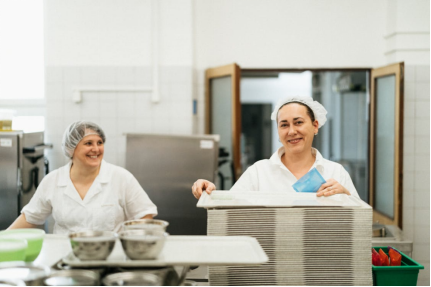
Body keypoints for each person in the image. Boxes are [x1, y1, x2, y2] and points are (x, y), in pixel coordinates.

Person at [192, 96, 360, 200]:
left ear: (315, 126)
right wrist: (209, 190)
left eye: (299, 122)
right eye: (284, 125)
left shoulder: (335, 172)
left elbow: (361, 220)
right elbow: (229, 206)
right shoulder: (259, 172)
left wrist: (346, 196)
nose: (292, 131)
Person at [8, 121, 157, 234]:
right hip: (65, 258)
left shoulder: (121, 177)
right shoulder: (53, 180)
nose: (96, 149)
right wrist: (4, 239)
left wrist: (132, 246)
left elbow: (144, 214)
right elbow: (29, 218)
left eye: (99, 143)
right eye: (88, 143)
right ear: (71, 149)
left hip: (109, 256)